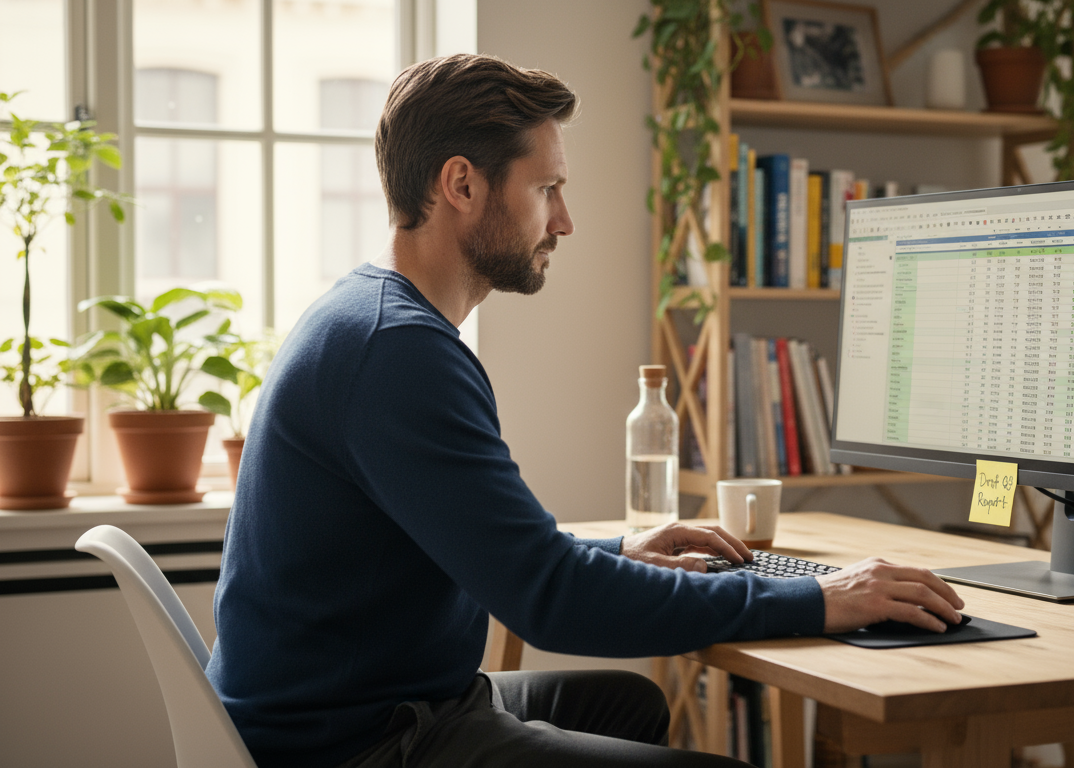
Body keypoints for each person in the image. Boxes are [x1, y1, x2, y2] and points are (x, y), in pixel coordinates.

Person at [206, 53, 964, 768]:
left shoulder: (374, 319)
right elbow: (549, 601)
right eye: (546, 190)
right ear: (461, 186)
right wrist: (814, 597)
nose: (564, 221)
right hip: (356, 744)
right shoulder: (396, 352)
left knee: (628, 704)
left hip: (361, 707)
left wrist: (622, 552)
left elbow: (497, 553)